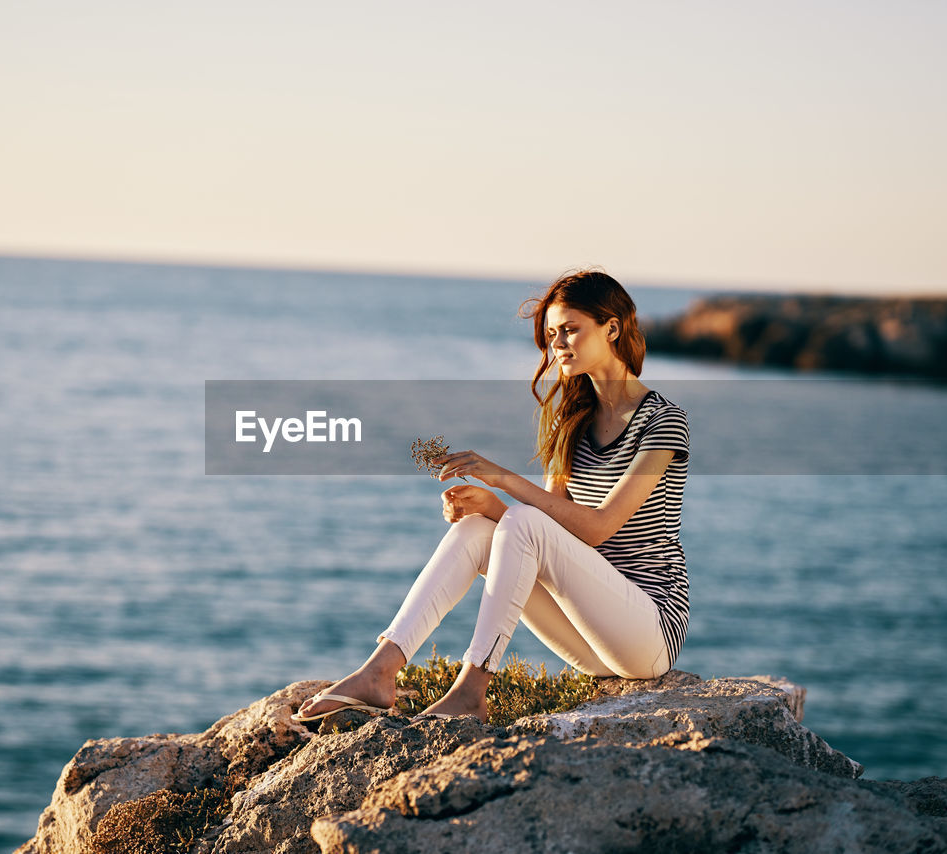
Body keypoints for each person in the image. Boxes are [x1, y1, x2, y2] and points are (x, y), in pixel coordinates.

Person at [293, 269, 690, 724]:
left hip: (649, 634)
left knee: (519, 519)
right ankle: (380, 670)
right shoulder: (572, 423)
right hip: (592, 641)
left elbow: (598, 528)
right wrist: (491, 510)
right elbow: (551, 533)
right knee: (479, 528)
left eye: (570, 330)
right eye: (551, 334)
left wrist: (504, 480)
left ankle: (471, 689)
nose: (557, 344)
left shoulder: (663, 422)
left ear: (612, 328)